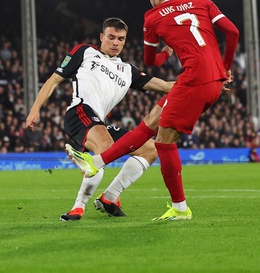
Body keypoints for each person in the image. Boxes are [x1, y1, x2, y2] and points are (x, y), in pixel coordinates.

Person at [67, 0, 240, 221]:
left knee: (164, 142)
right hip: (209, 79)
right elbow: (233, 32)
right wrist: (225, 67)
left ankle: (180, 209)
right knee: (151, 121)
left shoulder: (153, 16)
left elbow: (151, 61)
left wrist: (166, 52)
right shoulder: (203, 2)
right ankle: (97, 163)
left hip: (193, 79)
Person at [25, 17, 174, 220]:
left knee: (150, 149)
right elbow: (53, 80)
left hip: (99, 123)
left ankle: (110, 197)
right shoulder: (85, 52)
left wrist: (207, 81)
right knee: (105, 148)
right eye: (111, 37)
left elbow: (166, 86)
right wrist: (35, 109)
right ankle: (78, 207)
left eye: (121, 39)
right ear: (102, 37)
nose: (116, 43)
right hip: (79, 113)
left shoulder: (128, 70)